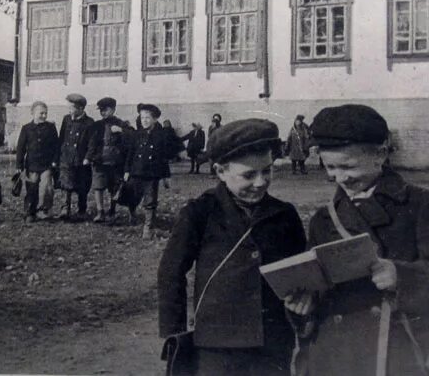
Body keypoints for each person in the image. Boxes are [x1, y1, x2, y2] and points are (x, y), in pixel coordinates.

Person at [286, 104, 429, 375]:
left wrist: (402, 276)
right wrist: (305, 303)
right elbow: (315, 278)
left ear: (381, 155)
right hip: (333, 349)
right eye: (330, 167)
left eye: (348, 166)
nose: (340, 177)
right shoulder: (323, 218)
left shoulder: (419, 203)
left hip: (395, 345)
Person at [158, 119, 307, 375]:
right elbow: (171, 272)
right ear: (220, 171)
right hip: (216, 345)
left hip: (272, 344)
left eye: (267, 171)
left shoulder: (285, 215)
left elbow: (302, 273)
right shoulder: (200, 213)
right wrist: (175, 333)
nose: (260, 182)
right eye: (248, 175)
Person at [124, 104, 171, 240]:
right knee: (133, 195)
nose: (144, 120)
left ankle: (148, 227)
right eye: (142, 117)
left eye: (148, 118)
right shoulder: (137, 134)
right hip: (136, 171)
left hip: (152, 173)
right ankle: (132, 214)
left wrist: (166, 177)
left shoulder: (161, 136)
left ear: (155, 119)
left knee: (150, 200)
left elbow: (163, 158)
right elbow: (130, 154)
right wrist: (127, 170)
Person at [85, 97, 131, 223]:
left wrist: (122, 131)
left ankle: (112, 210)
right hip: (99, 161)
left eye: (105, 110)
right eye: (101, 110)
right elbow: (92, 143)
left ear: (113, 109)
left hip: (116, 163)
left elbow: (131, 138)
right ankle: (100, 212)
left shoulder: (122, 124)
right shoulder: (97, 125)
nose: (103, 113)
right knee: (98, 186)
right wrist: (89, 157)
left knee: (114, 187)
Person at [15, 101, 59, 222]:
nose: (44, 116)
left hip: (47, 164)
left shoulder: (51, 127)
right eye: (41, 113)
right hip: (32, 165)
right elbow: (21, 147)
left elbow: (56, 146)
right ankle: (30, 211)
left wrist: (55, 161)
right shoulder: (26, 128)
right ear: (33, 113)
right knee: (32, 188)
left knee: (47, 187)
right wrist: (19, 164)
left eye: (46, 113)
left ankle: (43, 210)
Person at [56, 93, 94, 220]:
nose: (69, 110)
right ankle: (64, 209)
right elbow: (61, 138)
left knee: (82, 185)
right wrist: (59, 154)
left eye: (71, 108)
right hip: (66, 157)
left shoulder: (89, 123)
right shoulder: (66, 119)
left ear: (80, 109)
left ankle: (81, 209)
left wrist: (88, 157)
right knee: (65, 182)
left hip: (81, 160)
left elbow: (91, 142)